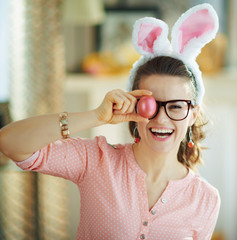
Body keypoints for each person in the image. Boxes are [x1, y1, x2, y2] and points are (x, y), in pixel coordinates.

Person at [0, 3, 220, 240]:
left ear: (193, 114)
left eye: (176, 106)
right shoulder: (96, 161)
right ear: (135, 105)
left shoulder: (205, 199)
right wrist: (95, 116)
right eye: (150, 105)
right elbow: (9, 142)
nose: (162, 118)